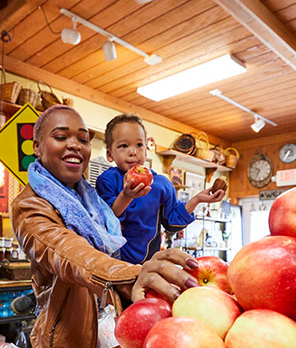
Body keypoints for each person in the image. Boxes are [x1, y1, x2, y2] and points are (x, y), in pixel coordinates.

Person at [11, 105, 200, 348]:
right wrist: (133, 273)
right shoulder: (30, 205)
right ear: (37, 146)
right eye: (61, 137)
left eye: (82, 139)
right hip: (70, 345)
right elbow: (69, 253)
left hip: (112, 326)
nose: (75, 145)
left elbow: (170, 220)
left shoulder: (90, 199)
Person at [95, 113, 225, 264]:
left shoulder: (161, 184)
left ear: (146, 149)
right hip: (115, 263)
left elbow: (172, 222)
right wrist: (126, 195)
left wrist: (197, 199)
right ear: (110, 154)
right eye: (124, 146)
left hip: (149, 263)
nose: (133, 152)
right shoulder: (107, 180)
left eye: (139, 145)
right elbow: (107, 219)